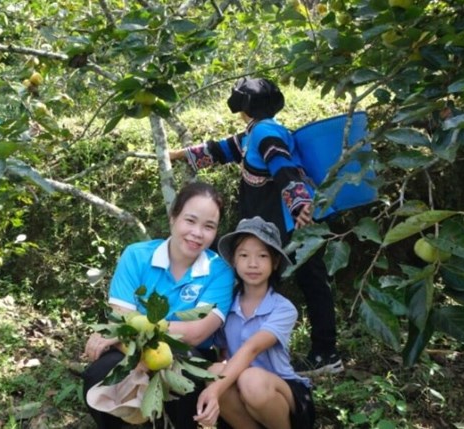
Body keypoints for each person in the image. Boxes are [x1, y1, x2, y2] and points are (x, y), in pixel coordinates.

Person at [170, 77, 343, 375]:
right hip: (275, 227)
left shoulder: (264, 133)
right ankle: (309, 352)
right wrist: (176, 156)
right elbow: (222, 149)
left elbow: (283, 167)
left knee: (310, 284)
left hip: (288, 227)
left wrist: (301, 206)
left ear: (243, 107)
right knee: (309, 283)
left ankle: (324, 353)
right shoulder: (256, 134)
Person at [82, 181, 235, 429]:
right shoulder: (136, 256)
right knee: (98, 375)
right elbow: (120, 316)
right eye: (190, 220)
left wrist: (133, 327)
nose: (197, 232)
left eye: (209, 226)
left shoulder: (220, 272)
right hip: (130, 347)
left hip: (187, 353)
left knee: (184, 381)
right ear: (173, 217)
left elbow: (196, 333)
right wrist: (130, 340)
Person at [194, 216, 315, 429]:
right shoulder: (225, 306)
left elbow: (252, 349)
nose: (252, 264)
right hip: (241, 396)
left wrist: (213, 391)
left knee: (251, 380)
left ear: (275, 262)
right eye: (244, 255)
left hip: (282, 395)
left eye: (262, 256)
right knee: (213, 372)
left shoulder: (282, 308)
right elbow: (222, 351)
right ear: (234, 260)